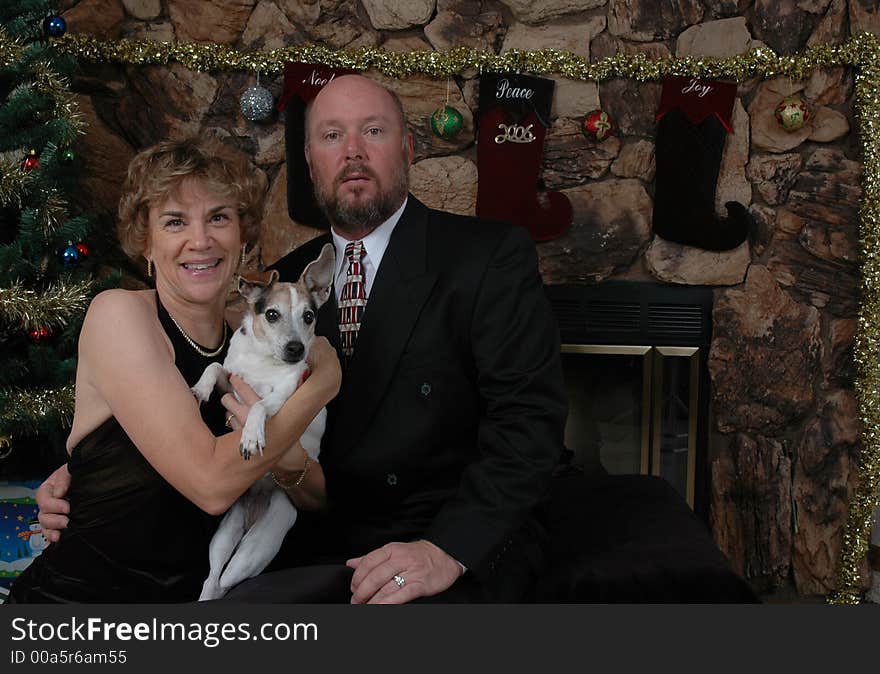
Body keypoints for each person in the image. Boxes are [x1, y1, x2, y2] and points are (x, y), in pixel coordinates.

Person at [36, 75, 568, 604]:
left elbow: (528, 421)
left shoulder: (485, 255)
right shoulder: (281, 290)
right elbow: (184, 447)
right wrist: (90, 469)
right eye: (332, 136)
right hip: (228, 567)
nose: (353, 152)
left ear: (406, 148)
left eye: (374, 131)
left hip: (429, 537)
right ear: (311, 162)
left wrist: (446, 548)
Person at [10, 138, 340, 603]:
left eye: (219, 217)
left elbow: (315, 498)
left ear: (242, 237)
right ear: (145, 242)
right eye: (175, 221)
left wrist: (286, 462)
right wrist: (321, 384)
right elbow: (210, 486)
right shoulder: (120, 316)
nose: (201, 240)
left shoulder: (251, 335)